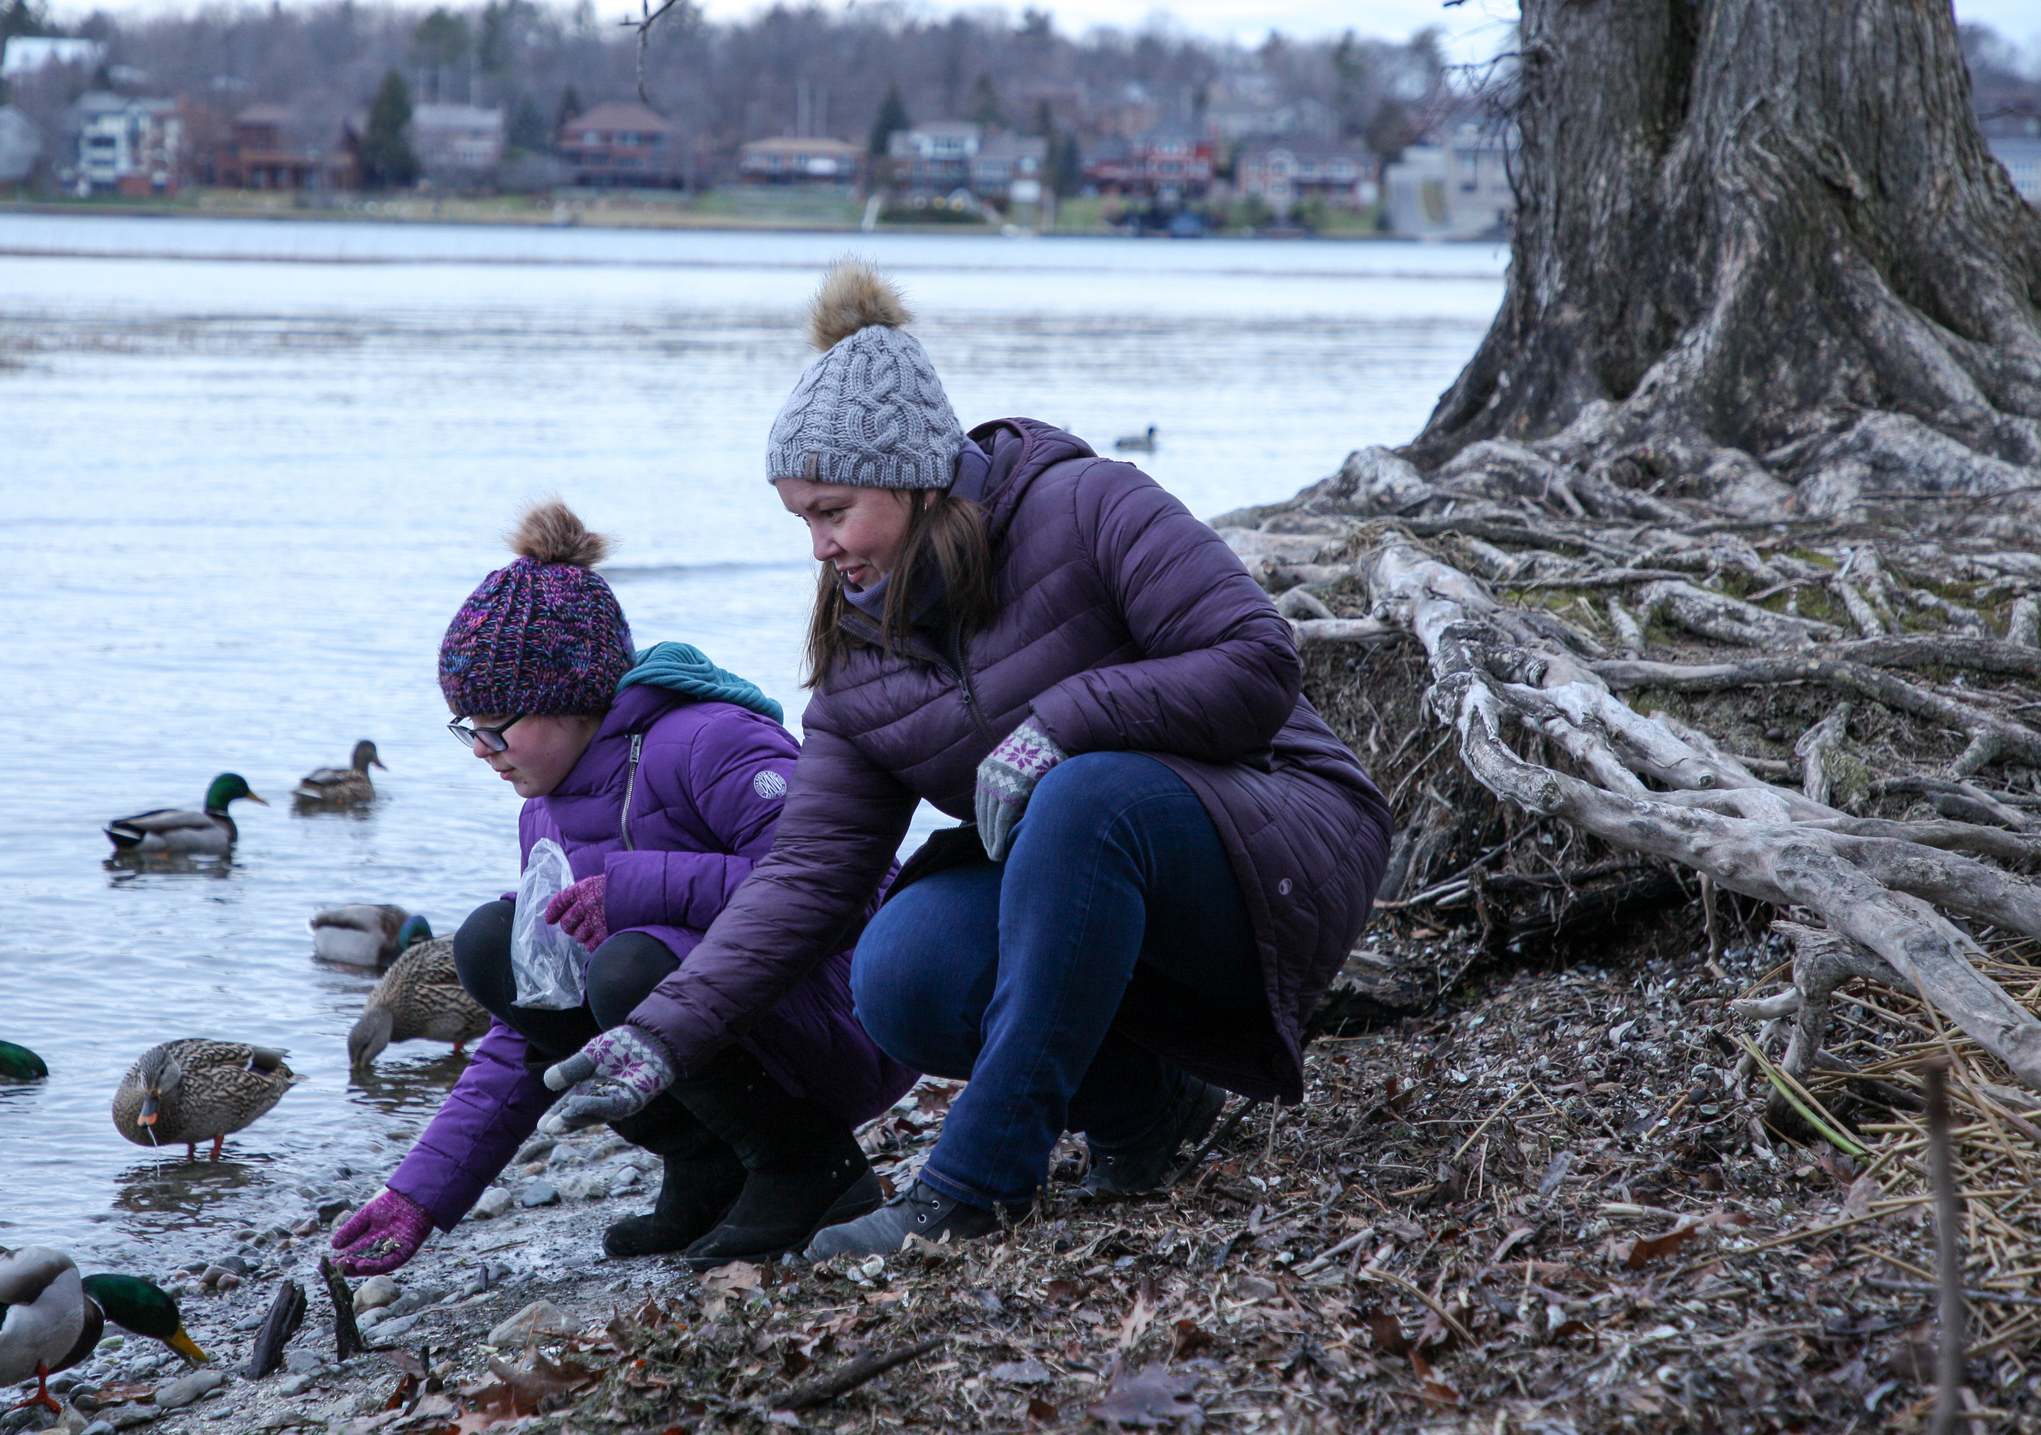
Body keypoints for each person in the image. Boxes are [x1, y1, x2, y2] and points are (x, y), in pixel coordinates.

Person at [536, 266, 1393, 1257]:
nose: (818, 546)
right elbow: (806, 877)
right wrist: (664, 1031)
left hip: (1279, 837)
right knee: (899, 970)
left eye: (833, 511)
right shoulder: (862, 662)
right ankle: (1146, 1112)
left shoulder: (1086, 506)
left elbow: (1260, 664)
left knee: (1081, 796)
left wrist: (1064, 720)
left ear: (915, 477)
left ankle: (975, 1187)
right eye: (801, 520)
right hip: (1093, 881)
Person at [330, 500, 914, 1276]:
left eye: (495, 723)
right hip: (720, 1034)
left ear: (572, 695)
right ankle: (709, 1167)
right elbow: (531, 1025)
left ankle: (812, 1169)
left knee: (628, 964)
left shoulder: (713, 739)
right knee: (491, 947)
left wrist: (635, 890)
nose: (480, 749)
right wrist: (421, 1196)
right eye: (464, 726)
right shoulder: (544, 809)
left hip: (848, 1020)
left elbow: (852, 885)